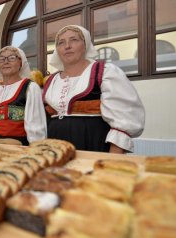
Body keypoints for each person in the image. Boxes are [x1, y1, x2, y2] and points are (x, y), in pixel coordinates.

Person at [42, 25, 145, 153]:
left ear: (85, 45)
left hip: (93, 145)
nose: (67, 46)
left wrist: (111, 160)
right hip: (55, 150)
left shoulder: (105, 72)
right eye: (61, 42)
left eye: (74, 40)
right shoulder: (52, 80)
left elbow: (124, 120)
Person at [0, 46, 47, 145]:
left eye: (12, 58)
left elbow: (36, 127)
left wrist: (36, 149)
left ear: (21, 62)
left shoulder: (30, 87)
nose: (6, 62)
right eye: (2, 59)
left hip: (18, 147)